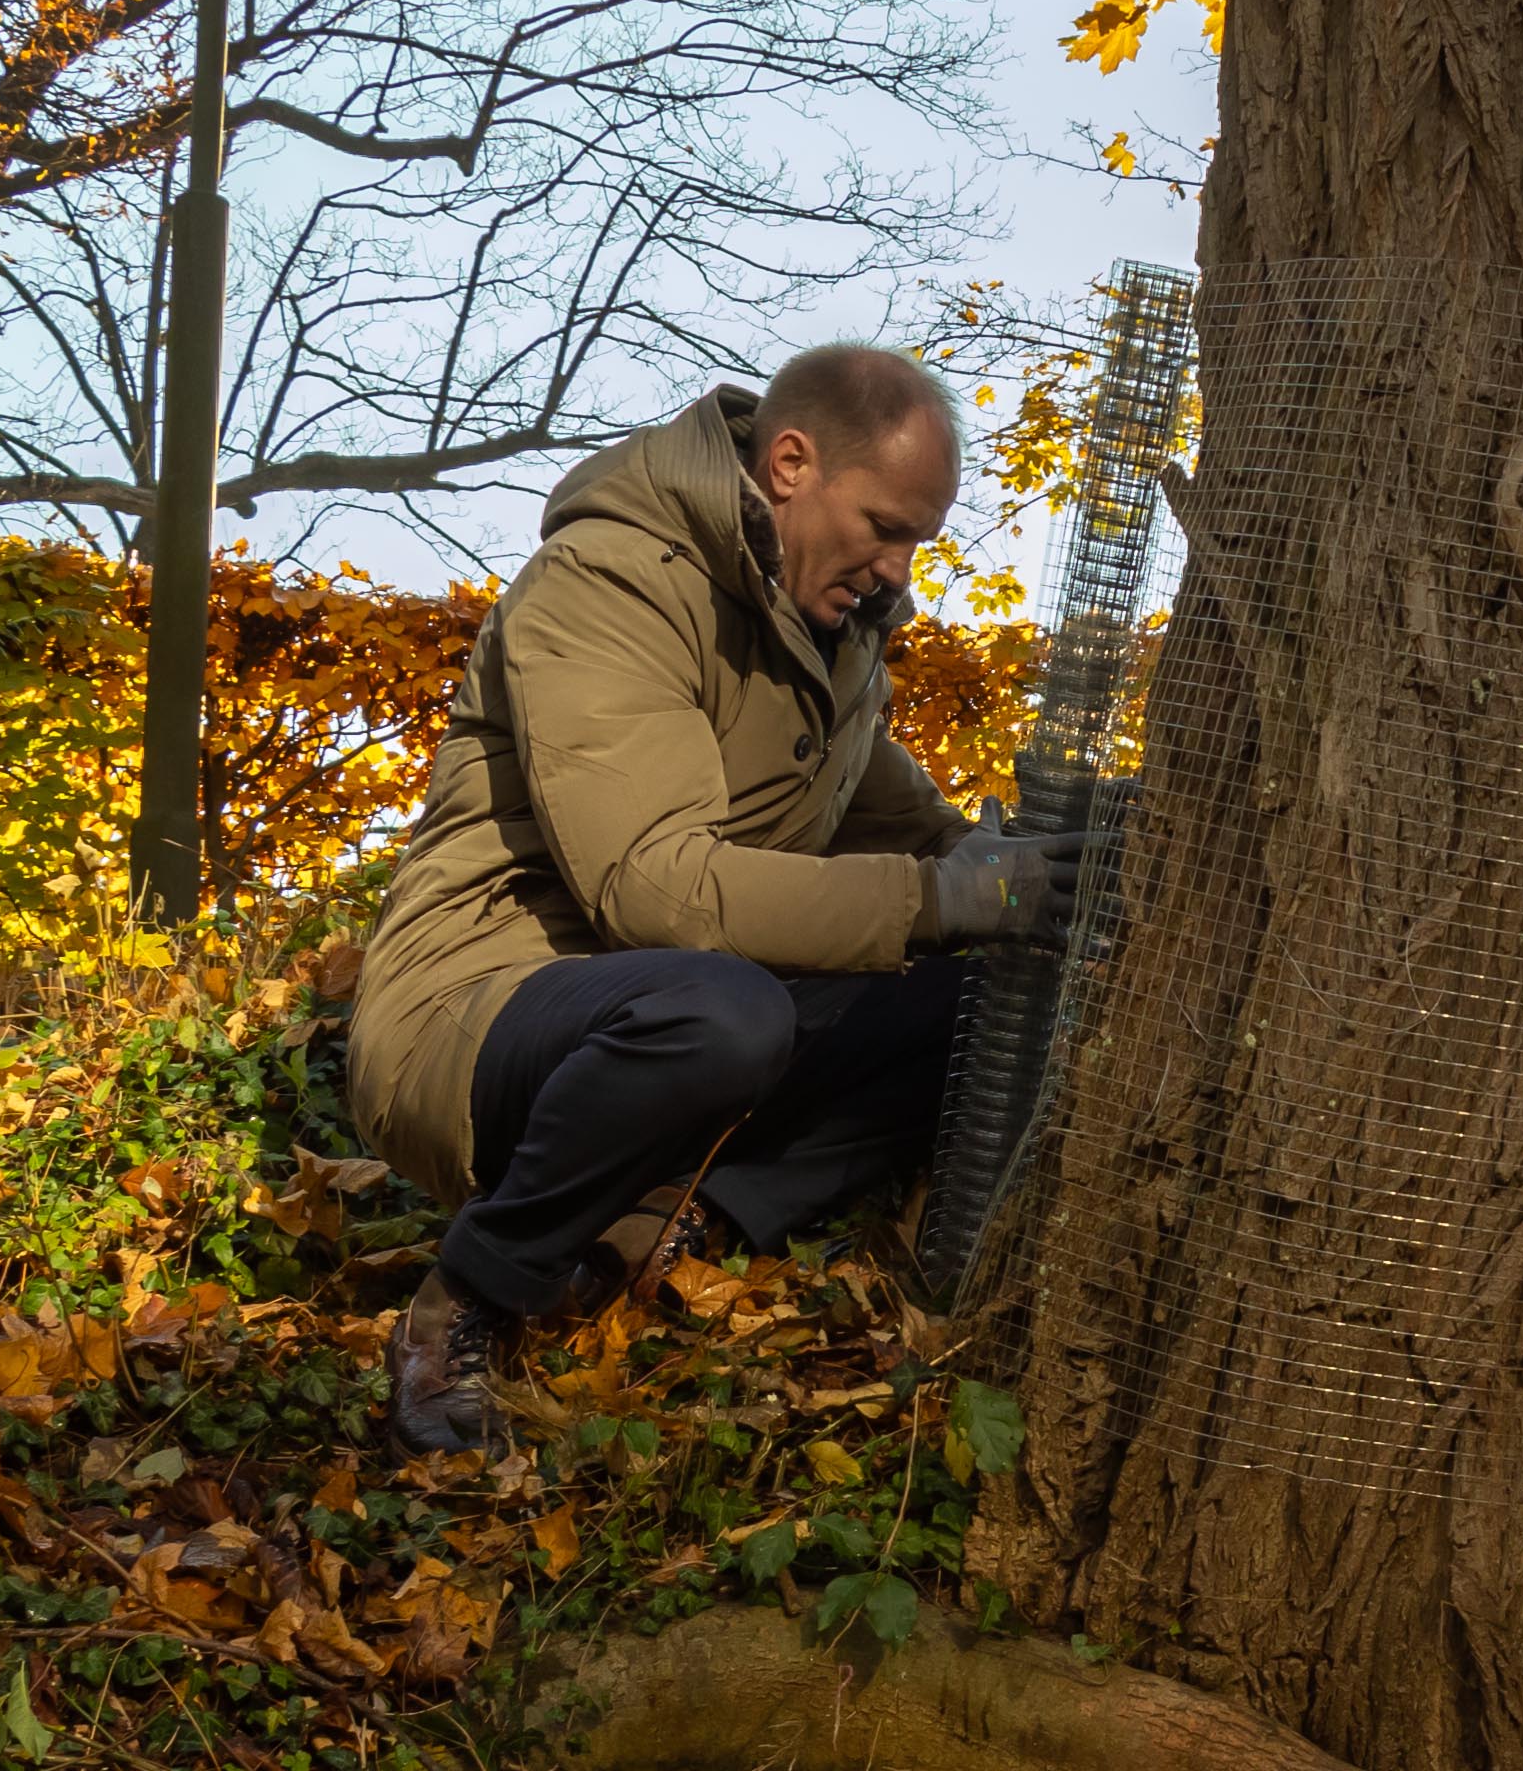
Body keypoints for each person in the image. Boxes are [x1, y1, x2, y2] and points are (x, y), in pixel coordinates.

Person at [346, 345, 1078, 1451]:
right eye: (885, 525)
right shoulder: (611, 580)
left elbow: (917, 831)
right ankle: (470, 1297)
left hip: (687, 1012)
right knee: (726, 1012)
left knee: (967, 997)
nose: (898, 567)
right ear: (791, 463)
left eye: (918, 540)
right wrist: (946, 895)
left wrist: (1050, 869)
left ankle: (666, 1223)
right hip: (484, 1009)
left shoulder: (828, 636)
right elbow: (653, 889)